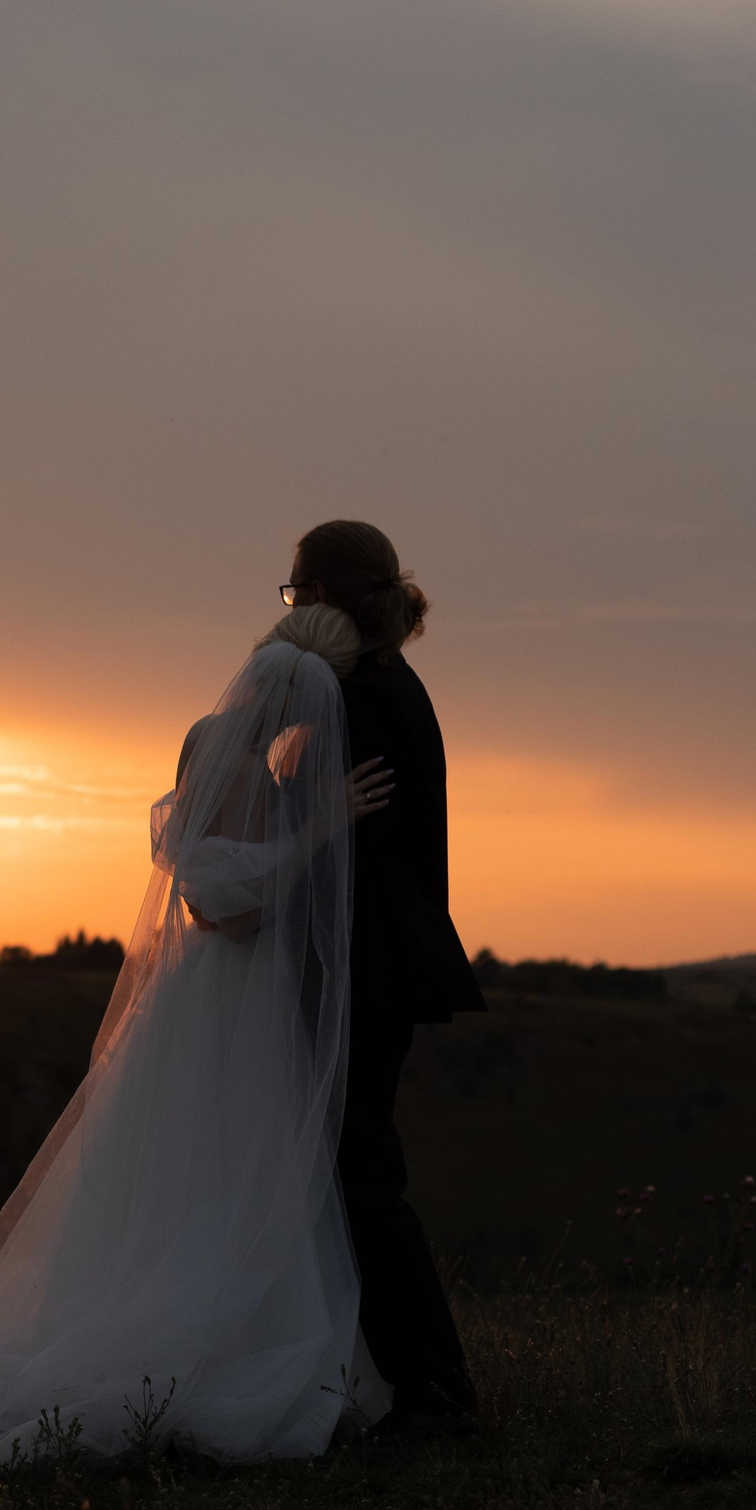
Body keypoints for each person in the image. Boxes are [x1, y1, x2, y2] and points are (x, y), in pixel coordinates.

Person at [0, 602, 395, 1478]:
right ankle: (207, 1359)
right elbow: (225, 909)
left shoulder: (203, 738)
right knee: (232, 1170)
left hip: (195, 1000)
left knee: (184, 1171)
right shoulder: (251, 772)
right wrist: (322, 827)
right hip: (236, 1000)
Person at [282, 519, 484, 1440]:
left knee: (362, 1175)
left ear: (323, 596)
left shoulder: (358, 694)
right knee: (356, 1171)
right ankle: (391, 1379)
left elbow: (310, 828)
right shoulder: (389, 684)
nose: (291, 613)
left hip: (367, 962)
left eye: (294, 596)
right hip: (382, 959)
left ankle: (434, 1392)